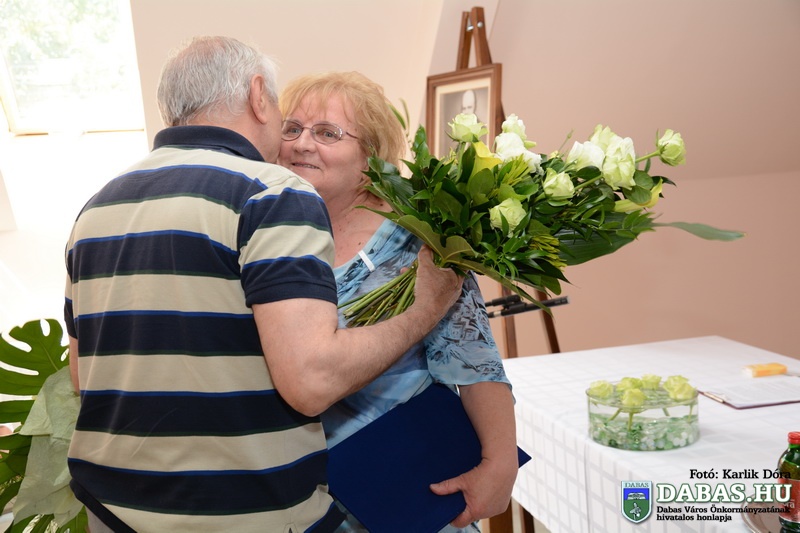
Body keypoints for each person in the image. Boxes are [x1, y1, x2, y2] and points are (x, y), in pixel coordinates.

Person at [64, 36, 462, 533]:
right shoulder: (270, 194)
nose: (295, 140)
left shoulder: (98, 207)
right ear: (258, 95)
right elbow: (312, 383)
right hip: (239, 512)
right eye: (285, 116)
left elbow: (82, 374)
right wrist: (426, 308)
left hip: (112, 507)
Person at [278, 71, 518, 532]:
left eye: (327, 133)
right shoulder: (269, 234)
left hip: (407, 489)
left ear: (371, 155)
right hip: (302, 498)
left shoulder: (418, 240)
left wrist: (499, 462)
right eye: (292, 129)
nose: (302, 144)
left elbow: (474, 361)